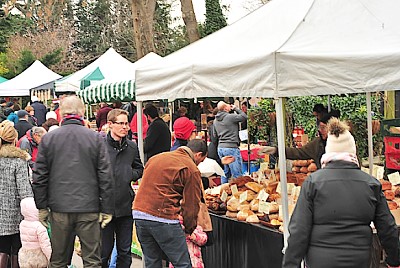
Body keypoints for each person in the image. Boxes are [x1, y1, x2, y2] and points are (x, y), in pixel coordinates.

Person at [282, 118, 400, 268]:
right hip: (360, 261)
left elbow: (299, 230)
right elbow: (387, 227)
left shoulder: (313, 182)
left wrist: (290, 264)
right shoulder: (371, 184)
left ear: (328, 151)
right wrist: (394, 260)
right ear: (353, 151)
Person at [32, 95, 114, 267]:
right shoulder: (95, 138)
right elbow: (105, 176)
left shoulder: (48, 139)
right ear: (83, 112)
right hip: (89, 207)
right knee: (92, 260)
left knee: (59, 260)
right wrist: (107, 207)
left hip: (59, 208)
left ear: (61, 113)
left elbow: (39, 176)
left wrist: (42, 206)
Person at [133, 139, 207, 268]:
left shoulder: (157, 158)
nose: (200, 163)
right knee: (182, 264)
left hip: (139, 214)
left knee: (152, 262)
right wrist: (189, 229)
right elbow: (191, 205)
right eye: (202, 160)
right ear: (198, 155)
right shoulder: (191, 168)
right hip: (163, 217)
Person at [101, 109, 144, 268]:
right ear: (110, 125)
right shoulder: (100, 146)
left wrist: (128, 174)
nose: (125, 127)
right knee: (104, 252)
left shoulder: (132, 147)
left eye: (127, 123)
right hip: (104, 207)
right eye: (121, 123)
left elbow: (140, 168)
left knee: (124, 251)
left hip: (125, 206)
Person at [0, 120, 32, 268]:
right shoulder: (19, 161)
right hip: (16, 214)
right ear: (14, 140)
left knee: (2, 248)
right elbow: (25, 191)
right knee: (17, 249)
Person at [259, 112, 337, 169]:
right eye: (319, 127)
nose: (320, 130)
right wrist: (276, 150)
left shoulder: (344, 143)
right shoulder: (317, 143)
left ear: (332, 128)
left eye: (323, 127)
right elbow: (299, 152)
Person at [213, 101, 247, 183]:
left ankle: (223, 191)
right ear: (225, 108)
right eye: (228, 105)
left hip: (220, 147)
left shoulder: (215, 120)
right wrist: (236, 109)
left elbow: (215, 135)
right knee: (237, 174)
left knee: (225, 173)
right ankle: (237, 194)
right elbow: (244, 117)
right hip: (231, 147)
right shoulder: (230, 117)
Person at [18, 197, 51, 268]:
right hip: (38, 258)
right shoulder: (39, 226)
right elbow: (45, 245)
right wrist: (51, 258)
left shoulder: (22, 224)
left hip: (25, 256)